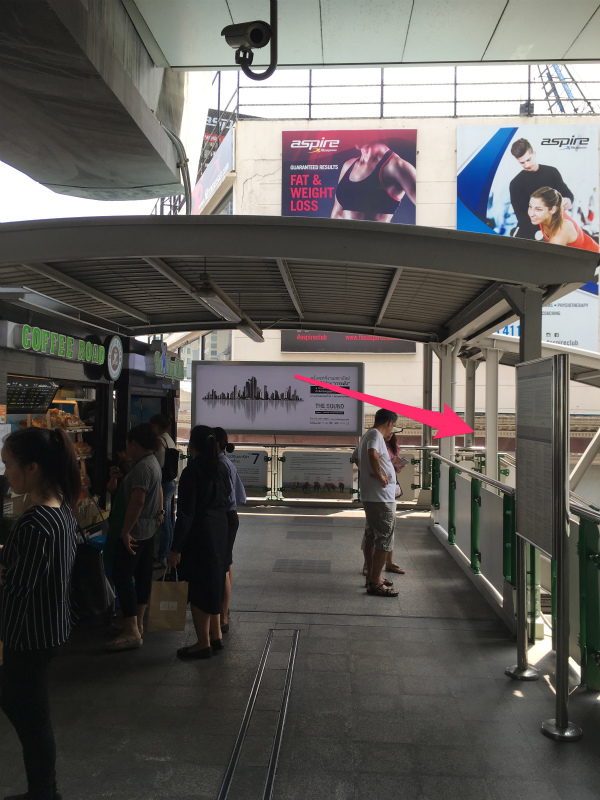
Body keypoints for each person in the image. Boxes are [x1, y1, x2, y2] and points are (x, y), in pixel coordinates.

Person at [0, 427, 81, 800]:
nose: (5, 474)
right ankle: (44, 791)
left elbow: (18, 588)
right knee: (34, 719)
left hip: (28, 635)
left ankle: (44, 793)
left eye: (9, 465)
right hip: (49, 628)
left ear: (32, 468)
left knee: (33, 723)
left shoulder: (36, 522)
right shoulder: (60, 506)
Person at [167, 426, 231, 660]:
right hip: (219, 529)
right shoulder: (221, 468)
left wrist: (176, 547)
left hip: (199, 534)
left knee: (198, 588)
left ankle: (203, 643)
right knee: (214, 581)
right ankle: (216, 636)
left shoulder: (192, 471)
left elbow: (186, 514)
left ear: (192, 445)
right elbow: (227, 497)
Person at [106, 424, 163, 652]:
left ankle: (131, 631)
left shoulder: (142, 468)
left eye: (128, 444)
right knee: (141, 575)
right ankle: (137, 623)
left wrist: (125, 531)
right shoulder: (152, 462)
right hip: (147, 529)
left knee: (122, 576)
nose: (126, 449)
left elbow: (137, 501)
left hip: (136, 531)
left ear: (134, 443)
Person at [357, 409, 400, 597]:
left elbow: (356, 456)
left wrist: (370, 474)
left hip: (373, 496)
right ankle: (375, 583)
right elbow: (372, 453)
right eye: (393, 425)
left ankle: (372, 576)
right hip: (380, 498)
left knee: (372, 535)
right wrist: (379, 475)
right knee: (384, 539)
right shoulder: (375, 435)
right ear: (390, 422)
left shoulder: (368, 434)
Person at [330, 141, 416, 222]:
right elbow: (337, 214)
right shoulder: (348, 165)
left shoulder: (396, 166)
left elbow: (424, 205)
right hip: (344, 233)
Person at [214, 427, 246, 634]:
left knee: (223, 566)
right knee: (227, 562)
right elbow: (240, 496)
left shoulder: (220, 465)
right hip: (230, 516)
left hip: (225, 517)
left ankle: (223, 615)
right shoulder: (227, 463)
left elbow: (228, 497)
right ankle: (224, 608)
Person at [509, 138, 573, 240]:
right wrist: (542, 233)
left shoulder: (552, 172)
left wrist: (567, 200)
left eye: (528, 160)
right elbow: (522, 217)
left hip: (555, 227)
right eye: (522, 163)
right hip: (529, 231)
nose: (527, 165)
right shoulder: (515, 184)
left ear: (534, 153)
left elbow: (567, 193)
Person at [528, 187, 599, 252]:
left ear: (553, 209)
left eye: (538, 209)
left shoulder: (561, 230)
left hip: (593, 258)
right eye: (530, 207)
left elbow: (551, 259)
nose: (531, 214)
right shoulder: (546, 215)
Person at [149, 414, 178, 569]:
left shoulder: (160, 441)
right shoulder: (169, 439)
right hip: (170, 482)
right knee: (168, 521)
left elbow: (158, 466)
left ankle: (162, 557)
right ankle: (165, 554)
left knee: (164, 522)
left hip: (164, 484)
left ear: (156, 426)